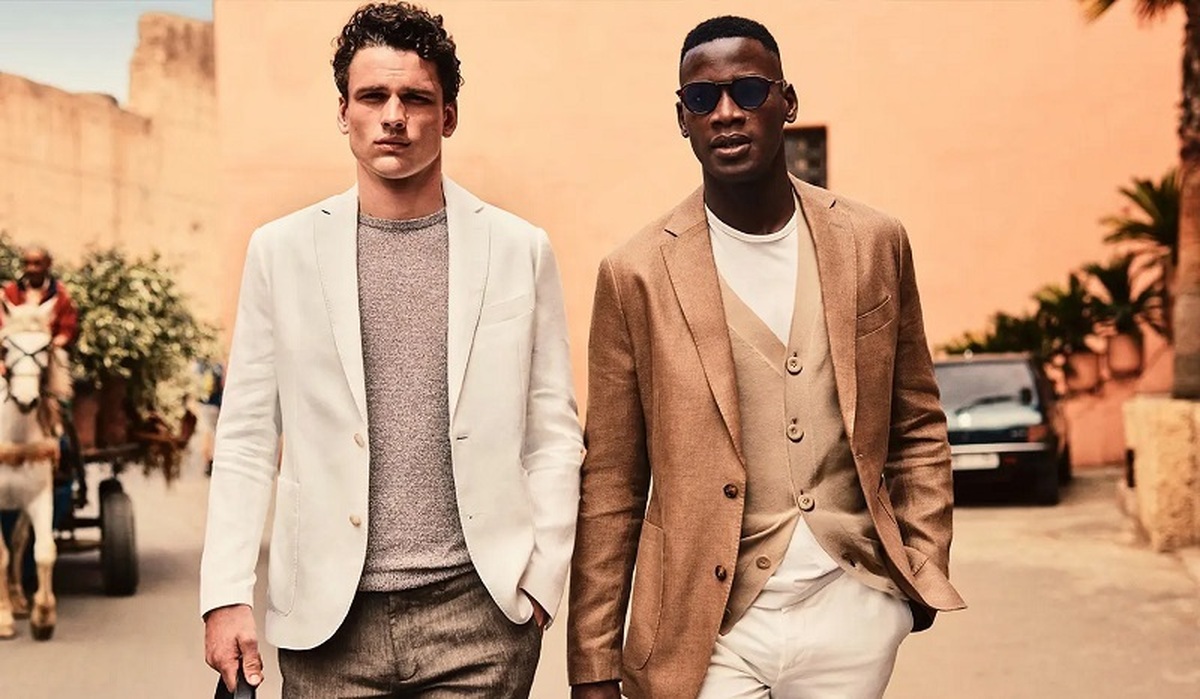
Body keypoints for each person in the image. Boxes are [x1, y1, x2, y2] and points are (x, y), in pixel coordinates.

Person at [567, 15, 965, 699]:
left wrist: (920, 570)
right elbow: (611, 482)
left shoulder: (873, 241)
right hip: (706, 629)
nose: (726, 113)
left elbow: (918, 421)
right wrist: (594, 661)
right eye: (702, 98)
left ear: (788, 102)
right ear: (683, 119)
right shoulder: (634, 273)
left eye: (748, 91)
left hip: (853, 605)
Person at [200, 3, 583, 697]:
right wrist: (225, 593)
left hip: (480, 617)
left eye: (416, 98)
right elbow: (248, 436)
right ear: (343, 111)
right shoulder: (281, 252)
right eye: (373, 96)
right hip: (328, 623)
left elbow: (553, 431)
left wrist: (539, 584)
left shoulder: (518, 249)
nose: (394, 117)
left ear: (449, 115)